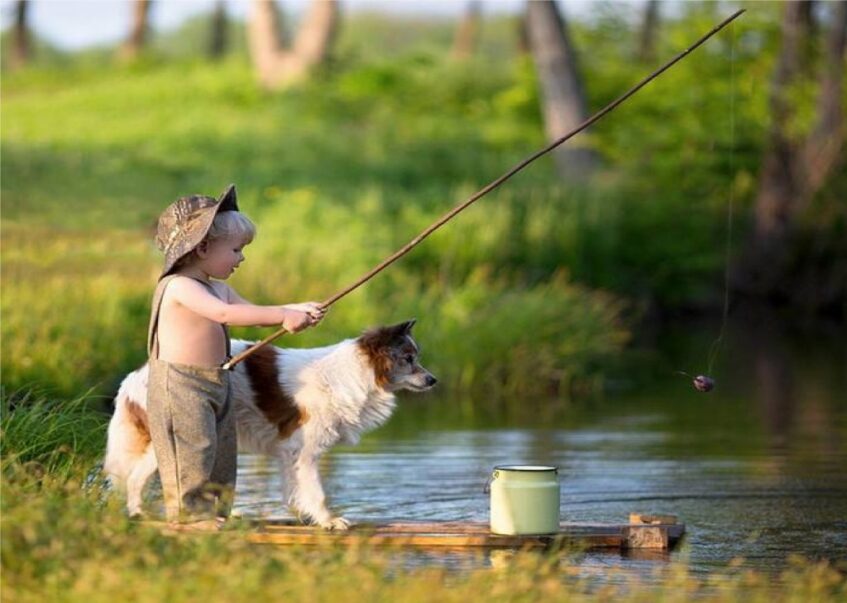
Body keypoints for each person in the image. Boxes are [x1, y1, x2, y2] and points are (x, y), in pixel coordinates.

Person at [147, 183, 324, 526]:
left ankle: (215, 512)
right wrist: (283, 316)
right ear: (202, 248)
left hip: (218, 378)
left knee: (221, 451)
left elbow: (252, 311)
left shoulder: (219, 287)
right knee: (192, 450)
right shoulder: (179, 286)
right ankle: (190, 517)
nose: (241, 258)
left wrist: (293, 310)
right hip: (180, 384)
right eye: (236, 249)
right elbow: (225, 315)